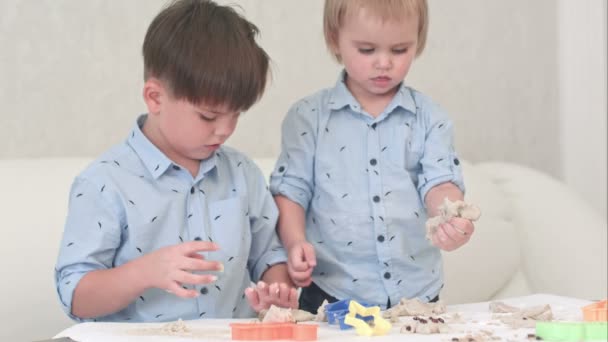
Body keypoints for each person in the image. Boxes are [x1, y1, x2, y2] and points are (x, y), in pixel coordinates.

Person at [55, 0, 297, 322]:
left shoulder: (242, 173)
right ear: (155, 98)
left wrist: (276, 294)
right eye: (208, 116)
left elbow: (269, 255)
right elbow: (76, 297)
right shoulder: (104, 183)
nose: (225, 130)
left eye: (235, 114)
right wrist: (143, 271)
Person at [270, 0, 475, 313]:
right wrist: (295, 242)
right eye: (367, 50)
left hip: (417, 293)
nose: (383, 63)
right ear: (333, 38)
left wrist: (450, 216)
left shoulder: (430, 117)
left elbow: (440, 182)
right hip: (330, 292)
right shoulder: (307, 118)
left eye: (399, 50)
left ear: (418, 41)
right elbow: (291, 192)